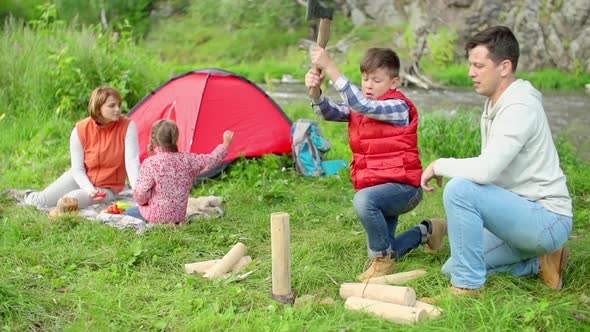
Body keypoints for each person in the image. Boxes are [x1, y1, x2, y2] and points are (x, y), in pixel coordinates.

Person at [420, 26, 573, 299]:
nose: (470, 72)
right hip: (519, 216)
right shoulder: (495, 103)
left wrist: (439, 164)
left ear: (504, 67)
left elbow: (486, 170)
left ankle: (467, 288)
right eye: (471, 65)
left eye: (479, 65)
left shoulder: (519, 106)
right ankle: (539, 261)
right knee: (452, 266)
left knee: (459, 189)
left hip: (546, 218)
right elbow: (491, 169)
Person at [305, 46, 447, 282]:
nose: (368, 85)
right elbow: (329, 112)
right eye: (365, 79)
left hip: (404, 189)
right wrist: (316, 93)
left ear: (394, 82)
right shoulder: (362, 104)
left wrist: (330, 66)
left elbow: (363, 106)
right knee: (389, 246)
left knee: (364, 201)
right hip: (379, 188)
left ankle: (382, 261)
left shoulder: (396, 106)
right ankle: (428, 230)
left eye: (376, 80)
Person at [14, 86, 140, 209]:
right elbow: (77, 169)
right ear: (97, 108)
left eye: (119, 104)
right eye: (112, 106)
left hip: (106, 188)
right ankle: (27, 194)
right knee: (39, 201)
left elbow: (132, 163)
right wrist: (89, 189)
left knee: (65, 202)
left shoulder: (128, 126)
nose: (118, 109)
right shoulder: (80, 130)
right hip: (81, 177)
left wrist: (139, 195)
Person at [122, 120, 233, 225]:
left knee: (127, 213)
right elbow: (211, 160)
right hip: (178, 217)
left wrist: (143, 203)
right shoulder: (187, 159)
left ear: (154, 139)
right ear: (176, 137)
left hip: (154, 217)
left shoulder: (150, 163)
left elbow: (140, 194)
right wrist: (225, 145)